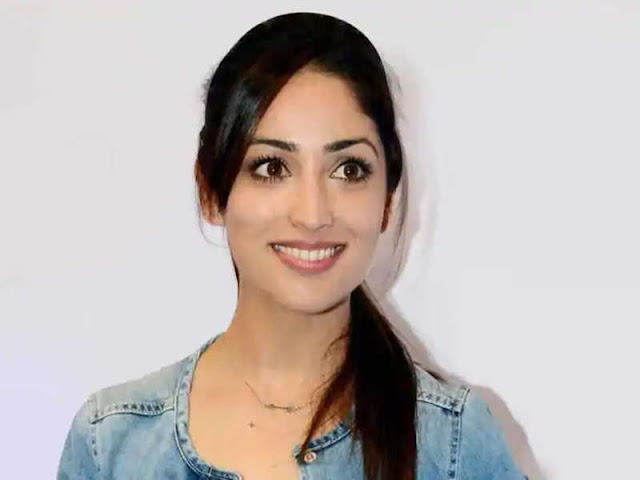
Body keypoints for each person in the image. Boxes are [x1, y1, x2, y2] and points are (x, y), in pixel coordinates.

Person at [57, 12, 527, 480]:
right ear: (211, 192)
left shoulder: (455, 444)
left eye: (349, 170)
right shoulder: (110, 444)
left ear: (387, 200)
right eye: (272, 168)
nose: (312, 214)